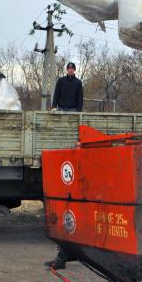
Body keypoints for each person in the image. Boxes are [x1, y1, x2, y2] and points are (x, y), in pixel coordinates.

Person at [46, 63, 83, 270]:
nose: (70, 71)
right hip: (62, 107)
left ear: (74, 70)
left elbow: (80, 98)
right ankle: (63, 257)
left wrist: (79, 110)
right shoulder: (61, 82)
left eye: (72, 69)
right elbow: (57, 93)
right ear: (66, 70)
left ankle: (63, 257)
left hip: (72, 109)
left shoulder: (78, 83)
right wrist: (54, 105)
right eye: (68, 69)